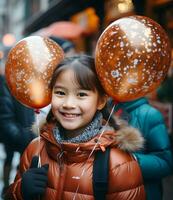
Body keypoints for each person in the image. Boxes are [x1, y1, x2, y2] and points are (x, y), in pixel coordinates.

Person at [5, 55, 146, 200]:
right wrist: (20, 191)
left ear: (101, 101)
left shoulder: (118, 163)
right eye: (60, 93)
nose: (68, 104)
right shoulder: (35, 148)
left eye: (81, 94)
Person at [111, 97, 173, 200]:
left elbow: (166, 162)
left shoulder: (149, 114)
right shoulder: (105, 109)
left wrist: (129, 162)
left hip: (144, 193)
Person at [0, 74, 36, 195]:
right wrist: (21, 135)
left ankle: (17, 188)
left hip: (27, 133)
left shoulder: (34, 82)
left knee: (23, 164)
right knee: (9, 159)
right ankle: (6, 189)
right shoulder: (8, 82)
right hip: (13, 134)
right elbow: (5, 115)